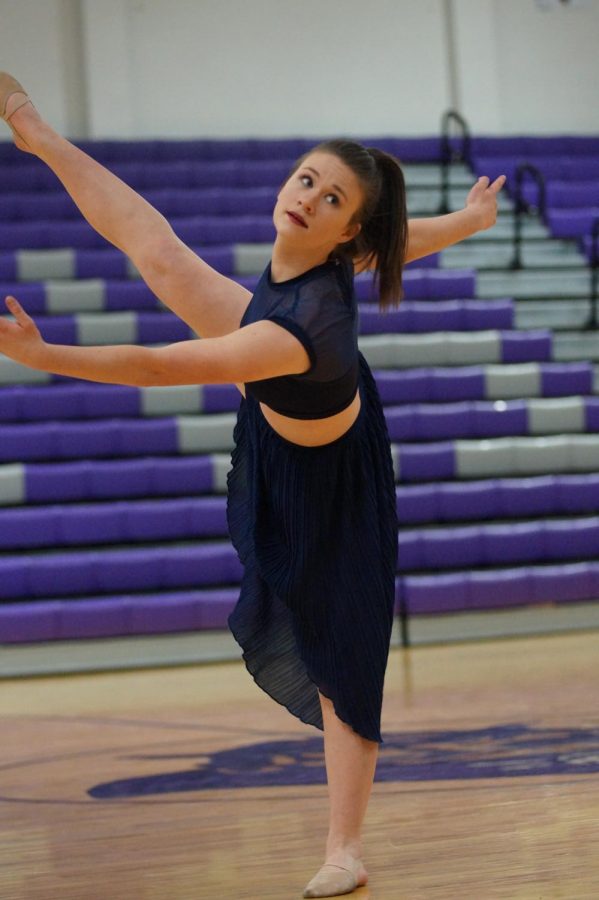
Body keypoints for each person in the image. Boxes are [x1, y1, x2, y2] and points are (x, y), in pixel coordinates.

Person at [0, 72, 505, 898]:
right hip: (284, 413)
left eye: (330, 197)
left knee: (343, 659)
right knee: (160, 256)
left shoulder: (296, 329)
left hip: (329, 480)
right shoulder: (340, 252)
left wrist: (44, 356)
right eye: (306, 179)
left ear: (347, 229)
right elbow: (405, 238)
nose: (307, 197)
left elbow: (158, 366)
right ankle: (36, 133)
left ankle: (344, 847)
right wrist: (473, 219)